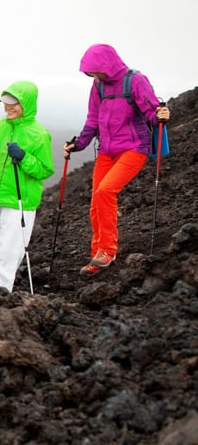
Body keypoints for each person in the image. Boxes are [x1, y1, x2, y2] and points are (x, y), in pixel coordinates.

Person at [64, 43, 171, 275]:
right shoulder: (98, 85)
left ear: (106, 65)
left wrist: (161, 115)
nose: (93, 75)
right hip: (106, 151)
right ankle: (97, 253)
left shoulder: (135, 80)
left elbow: (152, 114)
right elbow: (93, 119)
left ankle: (107, 250)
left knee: (105, 191)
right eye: (90, 72)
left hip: (134, 148)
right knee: (95, 202)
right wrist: (78, 144)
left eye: (95, 71)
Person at [0, 80, 54, 291]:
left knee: (7, 256)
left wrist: (23, 158)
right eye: (5, 103)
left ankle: (0, 299)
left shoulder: (39, 134)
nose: (8, 107)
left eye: (14, 103)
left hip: (19, 203)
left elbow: (44, 169)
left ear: (27, 103)